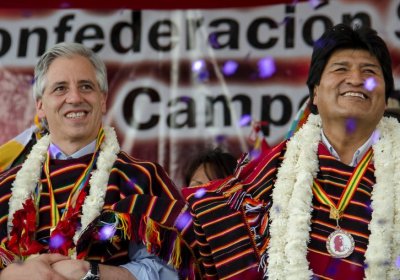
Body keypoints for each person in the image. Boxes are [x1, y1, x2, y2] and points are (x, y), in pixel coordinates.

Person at [183, 23, 400, 280]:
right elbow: (205, 220)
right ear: (315, 94)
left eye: (369, 71)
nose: (355, 79)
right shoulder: (270, 171)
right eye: (341, 69)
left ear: (385, 98)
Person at [0, 42, 196, 280]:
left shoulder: (142, 177)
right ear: (40, 105)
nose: (74, 98)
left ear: (103, 100)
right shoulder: (5, 188)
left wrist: (91, 273)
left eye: (86, 86)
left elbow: (177, 271)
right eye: (60, 88)